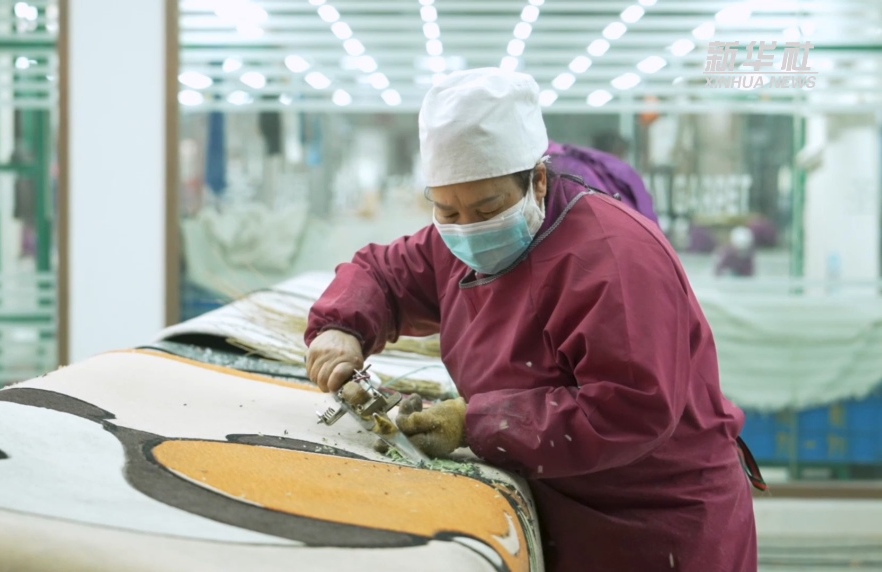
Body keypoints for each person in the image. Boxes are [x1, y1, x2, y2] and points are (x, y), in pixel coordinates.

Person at [304, 68, 760, 572]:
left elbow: (630, 409)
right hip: (555, 501)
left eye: (487, 209)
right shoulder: (453, 244)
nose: (467, 230)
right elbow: (383, 274)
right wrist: (341, 327)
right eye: (448, 211)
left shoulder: (614, 258)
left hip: (654, 523)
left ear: (538, 180)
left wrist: (475, 422)